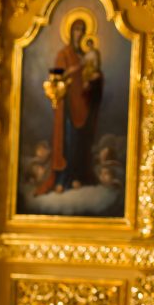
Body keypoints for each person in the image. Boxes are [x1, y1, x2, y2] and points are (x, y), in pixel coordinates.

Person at [36, 17, 103, 195]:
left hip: (83, 103)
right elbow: (57, 80)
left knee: (81, 141)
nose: (79, 33)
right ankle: (63, 179)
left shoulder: (86, 55)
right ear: (71, 32)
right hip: (67, 106)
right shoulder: (63, 55)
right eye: (76, 29)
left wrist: (95, 80)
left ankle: (77, 177)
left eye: (82, 30)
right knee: (68, 140)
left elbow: (92, 76)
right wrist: (73, 71)